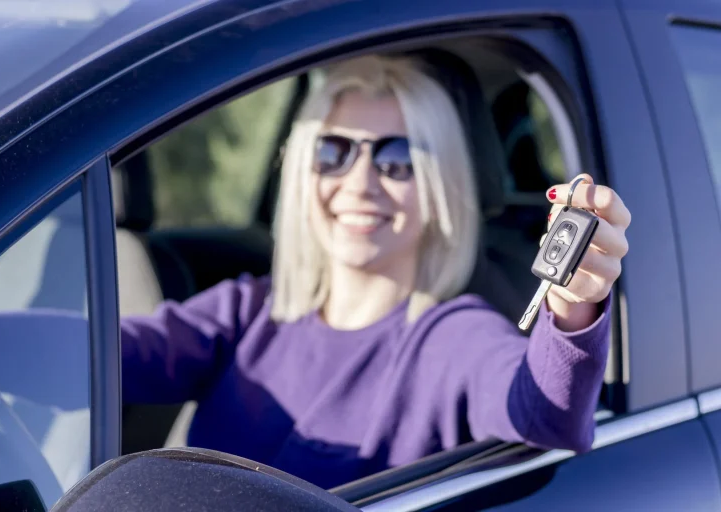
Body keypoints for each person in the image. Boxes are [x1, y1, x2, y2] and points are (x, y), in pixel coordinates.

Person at [120, 53, 631, 489]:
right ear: (303, 171)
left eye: (397, 158)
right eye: (333, 152)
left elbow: (545, 416)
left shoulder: (451, 338)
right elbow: (111, 352)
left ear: (440, 185)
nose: (360, 184)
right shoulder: (248, 310)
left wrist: (572, 302)